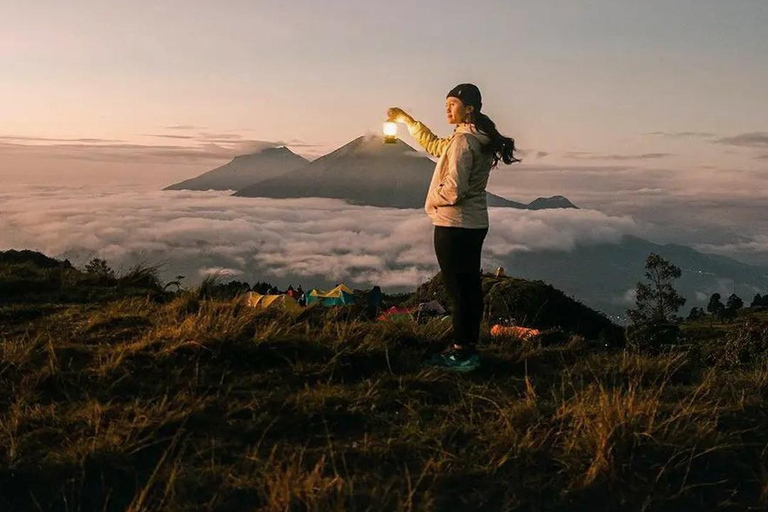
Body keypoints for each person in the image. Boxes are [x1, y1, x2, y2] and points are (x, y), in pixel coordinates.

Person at [388, 83, 520, 372]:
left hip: (454, 223)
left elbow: (454, 189)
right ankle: (466, 348)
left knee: (459, 291)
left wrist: (431, 200)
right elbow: (437, 146)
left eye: (453, 103)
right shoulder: (475, 137)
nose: (447, 108)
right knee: (469, 288)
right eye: (446, 103)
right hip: (473, 223)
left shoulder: (464, 141)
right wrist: (409, 122)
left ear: (469, 108)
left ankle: (462, 355)